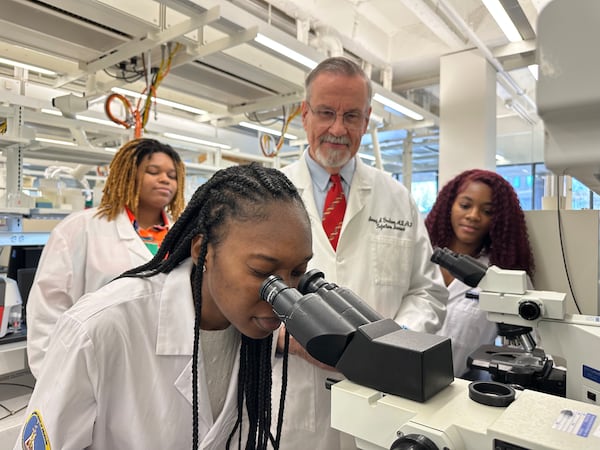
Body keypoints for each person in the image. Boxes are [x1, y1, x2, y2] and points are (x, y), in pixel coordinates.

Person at [15, 163, 313, 450]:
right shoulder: (100, 328)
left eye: (298, 272)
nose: (282, 295)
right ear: (203, 251)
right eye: (262, 271)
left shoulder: (255, 323)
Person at [275, 56, 448, 449]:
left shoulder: (396, 197)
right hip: (294, 399)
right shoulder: (268, 192)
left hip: (382, 401)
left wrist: (395, 342)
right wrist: (284, 338)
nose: (338, 129)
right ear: (304, 114)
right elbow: (239, 294)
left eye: (351, 116)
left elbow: (428, 291)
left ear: (366, 121)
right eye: (326, 113)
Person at [26, 137, 186, 378]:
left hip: (167, 367)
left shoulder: (184, 236)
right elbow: (47, 307)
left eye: (172, 176)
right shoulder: (81, 228)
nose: (165, 179)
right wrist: (52, 376)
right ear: (129, 174)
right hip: (97, 363)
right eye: (153, 171)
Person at [425, 168, 535, 378]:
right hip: (395, 378)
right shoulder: (418, 258)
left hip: (455, 391)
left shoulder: (504, 277)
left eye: (488, 211)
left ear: (499, 220)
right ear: (449, 206)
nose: (473, 216)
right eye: (465, 205)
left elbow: (531, 349)